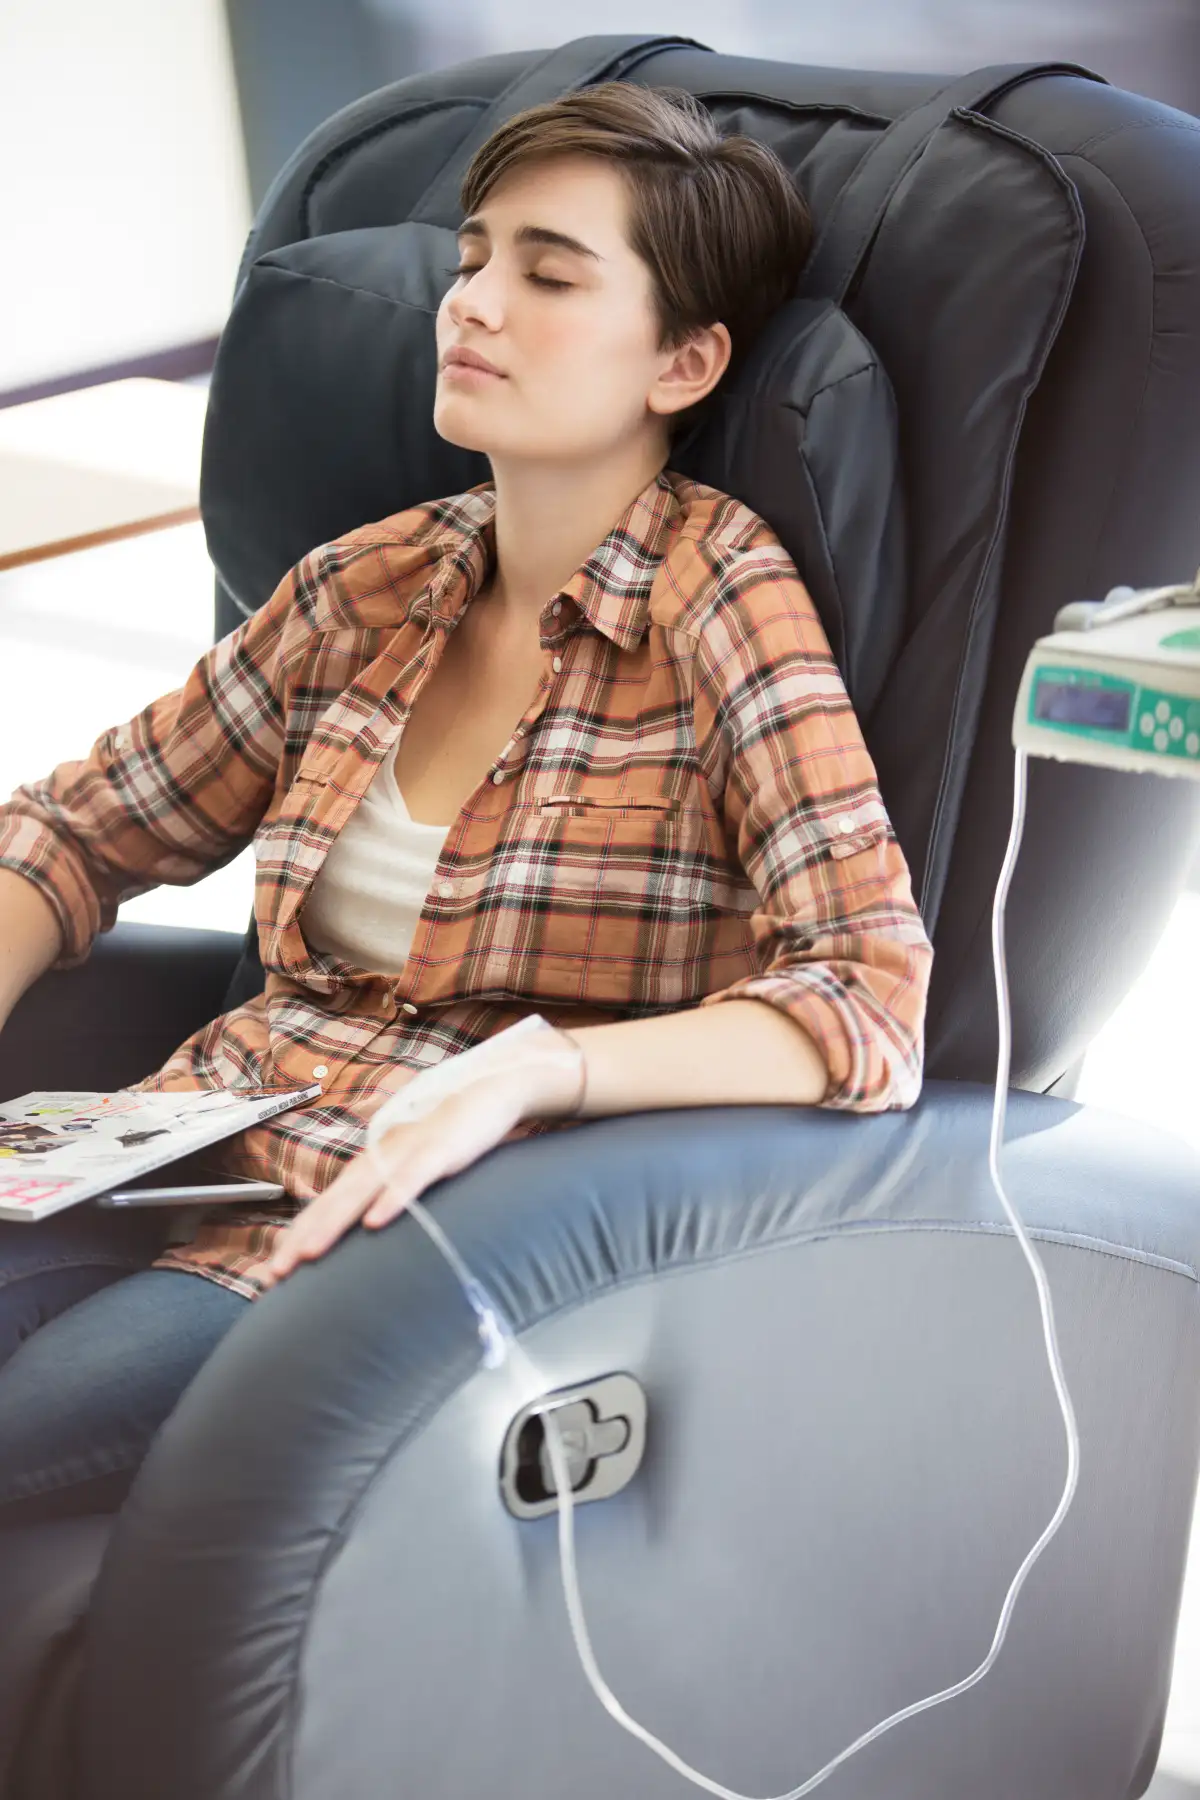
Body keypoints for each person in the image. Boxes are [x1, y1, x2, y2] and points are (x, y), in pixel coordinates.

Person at [0, 83, 934, 1526]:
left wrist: (534, 1071)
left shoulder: (721, 604)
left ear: (683, 362)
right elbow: (69, 832)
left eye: (549, 276)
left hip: (387, 1249)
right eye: (472, 260)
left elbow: (866, 999)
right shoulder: (365, 588)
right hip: (174, 1157)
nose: (473, 304)